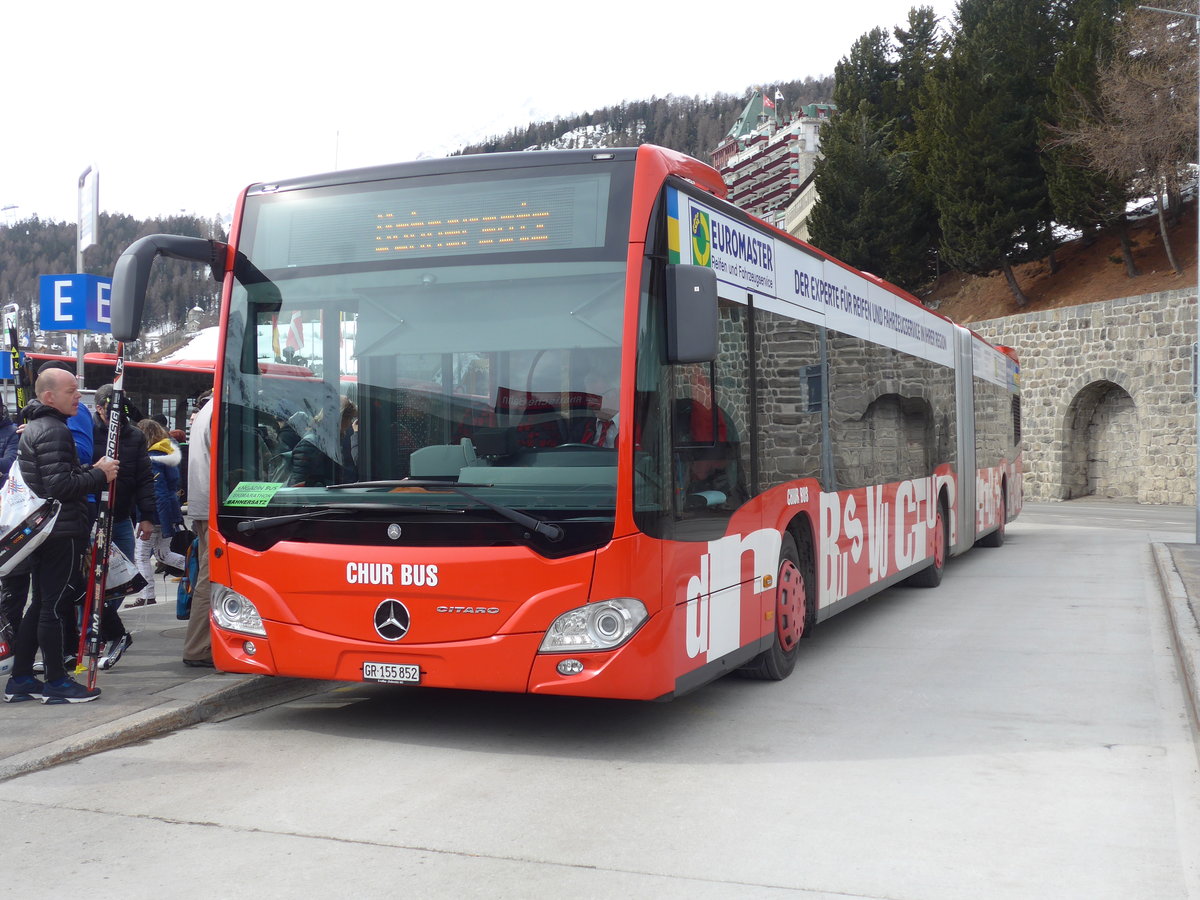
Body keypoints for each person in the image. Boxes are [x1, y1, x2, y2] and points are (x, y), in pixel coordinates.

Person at [2, 367, 117, 703]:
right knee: (52, 606)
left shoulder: (38, 427)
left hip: (42, 530)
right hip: (58, 530)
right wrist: (99, 474)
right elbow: (59, 486)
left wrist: (87, 470)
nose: (78, 396)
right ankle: (56, 682)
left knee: (40, 605)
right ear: (49, 396)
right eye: (71, 390)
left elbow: (55, 476)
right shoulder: (54, 430)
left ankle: (22, 678)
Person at [90, 383, 157, 670]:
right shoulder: (88, 430)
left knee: (122, 580)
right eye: (107, 411)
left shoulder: (134, 435)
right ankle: (93, 630)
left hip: (121, 517)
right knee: (88, 583)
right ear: (99, 409)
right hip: (92, 517)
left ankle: (102, 626)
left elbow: (144, 477)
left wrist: (147, 516)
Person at [130, 418, 186, 606]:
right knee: (163, 553)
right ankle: (197, 570)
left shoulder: (152, 458)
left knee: (141, 555)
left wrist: (150, 517)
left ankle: (147, 595)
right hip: (169, 510)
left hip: (153, 513)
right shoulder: (168, 453)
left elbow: (156, 490)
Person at [182, 391, 214, 667]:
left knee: (208, 574)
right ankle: (199, 647)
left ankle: (202, 644)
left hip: (203, 502)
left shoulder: (207, 410)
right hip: (214, 506)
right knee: (211, 576)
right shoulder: (221, 409)